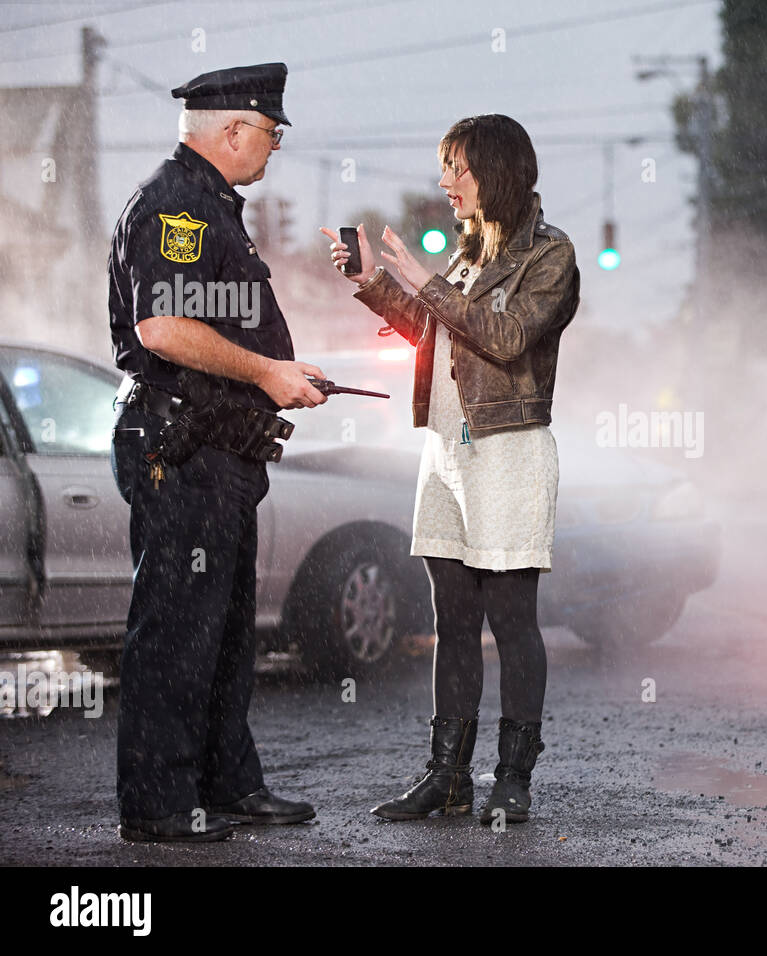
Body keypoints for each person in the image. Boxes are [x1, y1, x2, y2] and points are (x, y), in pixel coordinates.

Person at [320, 114, 580, 825]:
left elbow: (504, 336)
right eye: (444, 167)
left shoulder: (550, 256)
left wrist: (424, 280)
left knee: (511, 619)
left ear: (494, 172)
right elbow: (436, 332)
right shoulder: (467, 255)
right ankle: (448, 775)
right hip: (446, 450)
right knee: (453, 618)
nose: (445, 182)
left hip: (508, 451)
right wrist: (375, 281)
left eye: (457, 168)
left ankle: (515, 777)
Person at [108, 62, 325, 843]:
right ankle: (160, 805)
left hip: (217, 455)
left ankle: (226, 784)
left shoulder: (212, 206)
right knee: (176, 631)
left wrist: (279, 374)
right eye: (270, 132)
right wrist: (268, 371)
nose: (273, 148)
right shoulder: (178, 205)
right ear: (232, 130)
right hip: (184, 449)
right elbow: (162, 327)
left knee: (226, 631)